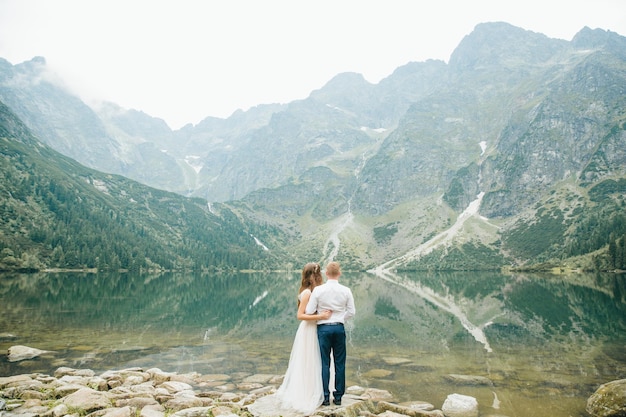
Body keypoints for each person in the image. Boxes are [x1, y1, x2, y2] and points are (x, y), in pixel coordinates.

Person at [273, 262, 332, 414]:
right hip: (308, 330)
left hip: (316, 328)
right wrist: (321, 316)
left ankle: (317, 390)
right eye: (318, 274)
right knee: (309, 360)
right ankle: (307, 393)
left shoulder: (316, 291)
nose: (321, 277)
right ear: (312, 276)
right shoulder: (306, 293)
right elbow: (300, 315)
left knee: (317, 360)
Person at [305, 261, 355, 406]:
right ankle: (338, 397)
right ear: (339, 273)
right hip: (339, 328)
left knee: (324, 363)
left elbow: (308, 311)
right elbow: (351, 312)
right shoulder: (346, 290)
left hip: (323, 329)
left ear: (326, 274)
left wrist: (323, 315)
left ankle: (325, 397)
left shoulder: (318, 291)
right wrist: (340, 318)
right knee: (340, 363)